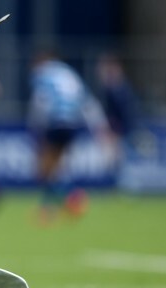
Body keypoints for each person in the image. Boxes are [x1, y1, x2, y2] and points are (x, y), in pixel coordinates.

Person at [28, 49, 103, 224]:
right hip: (72, 123)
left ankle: (73, 199)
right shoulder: (69, 73)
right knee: (54, 169)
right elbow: (87, 101)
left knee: (44, 169)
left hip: (55, 121)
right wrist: (99, 127)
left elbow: (40, 102)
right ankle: (50, 209)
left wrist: (35, 128)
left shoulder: (43, 73)